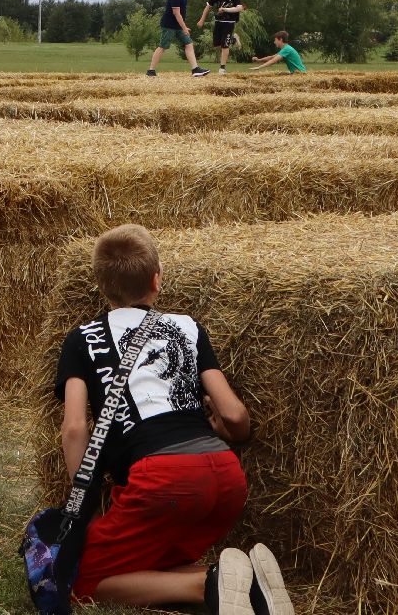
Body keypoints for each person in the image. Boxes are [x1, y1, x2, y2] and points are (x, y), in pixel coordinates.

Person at [55, 224, 292, 613]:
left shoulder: (82, 338)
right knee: (154, 559)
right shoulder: (187, 327)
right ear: (157, 279)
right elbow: (234, 414)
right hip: (226, 477)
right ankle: (251, 585)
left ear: (101, 285)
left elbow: (75, 428)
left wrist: (83, 506)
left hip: (161, 481)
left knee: (79, 581)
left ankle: (208, 585)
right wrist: (227, 429)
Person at [147, 0, 211, 78]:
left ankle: (195, 69)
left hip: (178, 26)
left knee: (188, 44)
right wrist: (184, 27)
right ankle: (151, 71)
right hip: (169, 26)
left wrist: (183, 27)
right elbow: (176, 13)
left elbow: (180, 14)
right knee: (163, 47)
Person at [195, 0, 246, 75]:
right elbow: (208, 6)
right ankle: (233, 39)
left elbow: (240, 8)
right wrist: (201, 20)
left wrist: (225, 9)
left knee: (224, 45)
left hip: (229, 22)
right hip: (218, 22)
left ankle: (222, 68)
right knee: (217, 44)